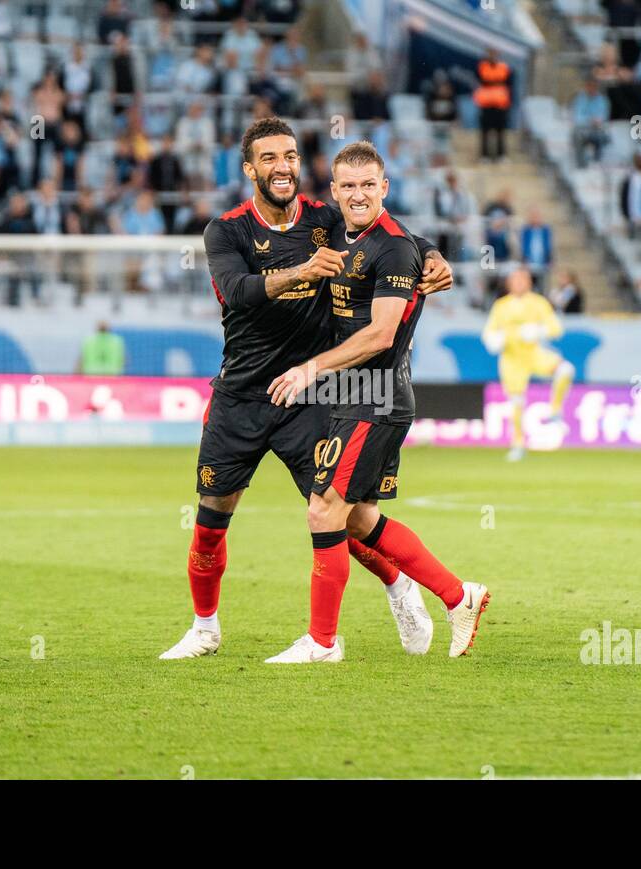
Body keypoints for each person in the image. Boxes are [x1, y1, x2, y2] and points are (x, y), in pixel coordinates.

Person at [159, 119, 454, 661]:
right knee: (209, 519)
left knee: (345, 516)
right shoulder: (225, 231)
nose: (282, 167)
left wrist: (433, 255)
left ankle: (398, 589)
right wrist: (303, 271)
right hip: (242, 396)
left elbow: (391, 234)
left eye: (290, 156)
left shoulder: (324, 218)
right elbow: (239, 292)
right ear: (250, 169)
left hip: (313, 396)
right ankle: (204, 628)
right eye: (269, 158)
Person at [264, 141, 489, 663]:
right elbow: (417, 242)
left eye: (369, 185)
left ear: (384, 188)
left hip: (375, 397)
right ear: (335, 191)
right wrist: (432, 250)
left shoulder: (390, 246)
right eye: (348, 186)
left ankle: (322, 643)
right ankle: (460, 597)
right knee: (359, 519)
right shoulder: (349, 233)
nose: (358, 194)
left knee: (323, 512)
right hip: (352, 396)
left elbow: (382, 334)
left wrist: (309, 368)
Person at [483, 267, 575, 462]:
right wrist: (494, 340)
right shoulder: (501, 305)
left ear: (529, 282)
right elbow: (489, 332)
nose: (518, 283)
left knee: (565, 369)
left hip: (534, 353)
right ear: (509, 283)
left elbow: (556, 328)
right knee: (516, 402)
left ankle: (555, 410)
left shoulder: (539, 303)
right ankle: (517, 444)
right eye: (515, 280)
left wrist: (539, 331)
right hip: (511, 358)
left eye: (522, 280)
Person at [475, 48, 511, 160]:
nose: (492, 55)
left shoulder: (503, 67)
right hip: (486, 104)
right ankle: (484, 155)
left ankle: (501, 155)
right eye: (490, 53)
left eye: (495, 53)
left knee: (500, 131)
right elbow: (483, 79)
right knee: (485, 131)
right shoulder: (482, 66)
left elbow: (506, 83)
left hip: (500, 104)